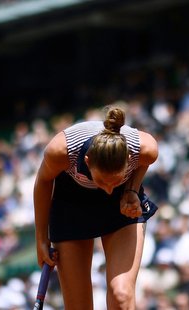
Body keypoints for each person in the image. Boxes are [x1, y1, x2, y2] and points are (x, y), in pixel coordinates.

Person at [33, 106, 159, 309]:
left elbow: (143, 163)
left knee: (122, 294)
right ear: (87, 161)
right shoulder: (61, 151)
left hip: (120, 205)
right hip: (71, 204)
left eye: (114, 181)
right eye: (102, 181)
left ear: (128, 160)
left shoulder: (145, 149)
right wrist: (41, 239)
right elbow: (43, 182)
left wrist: (131, 190)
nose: (108, 190)